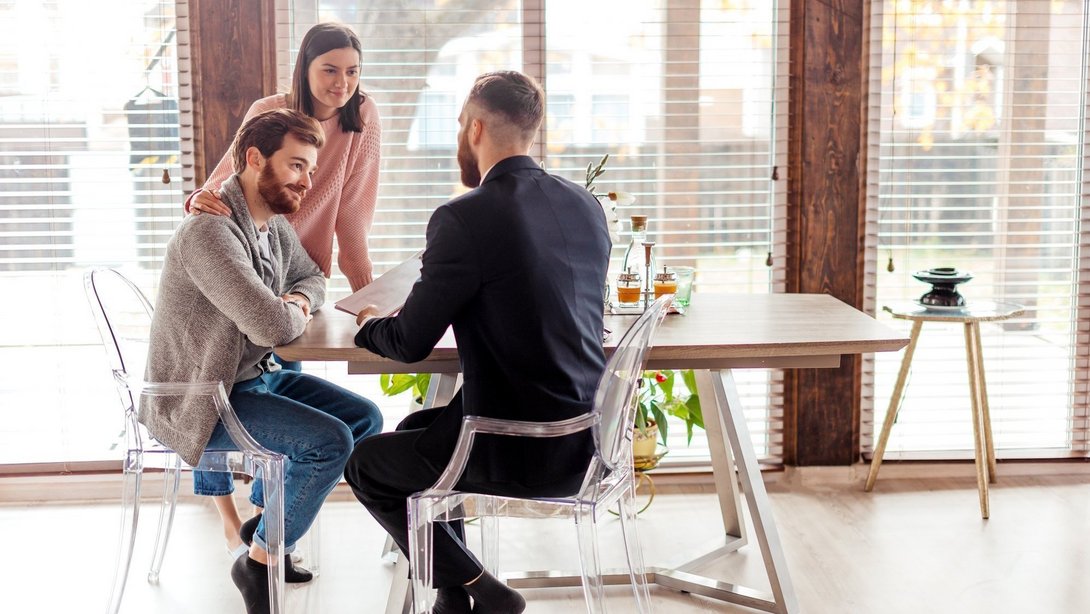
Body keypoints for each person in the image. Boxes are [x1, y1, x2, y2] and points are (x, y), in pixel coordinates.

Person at [345, 71, 611, 614]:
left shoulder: (464, 217)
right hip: (586, 437)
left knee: (367, 465)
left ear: (474, 127)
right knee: (420, 427)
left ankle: (482, 589)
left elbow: (409, 340)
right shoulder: (584, 205)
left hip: (516, 443)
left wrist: (369, 320)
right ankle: (451, 599)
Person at [144, 108, 383, 613]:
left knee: (365, 418)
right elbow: (271, 329)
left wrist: (294, 300)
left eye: (311, 169)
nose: (307, 181)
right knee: (328, 442)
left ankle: (263, 533)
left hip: (255, 380)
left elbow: (314, 278)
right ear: (255, 159)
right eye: (297, 165)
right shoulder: (209, 233)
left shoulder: (270, 226)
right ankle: (260, 560)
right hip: (205, 398)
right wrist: (289, 308)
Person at [185, 21, 382, 554]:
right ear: (305, 68)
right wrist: (200, 203)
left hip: (296, 270)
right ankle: (239, 525)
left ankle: (269, 535)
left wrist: (368, 300)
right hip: (248, 261)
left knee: (279, 398)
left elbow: (353, 218)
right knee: (226, 363)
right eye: (330, 70)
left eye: (352, 72)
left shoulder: (360, 118)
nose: (342, 83)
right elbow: (232, 172)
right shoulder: (270, 112)